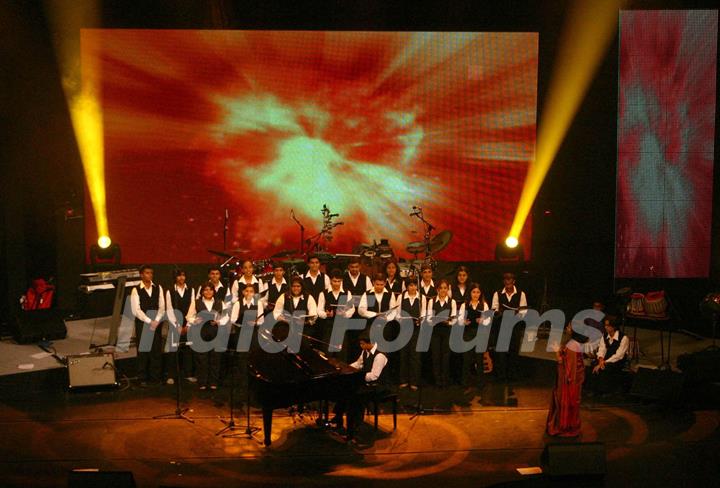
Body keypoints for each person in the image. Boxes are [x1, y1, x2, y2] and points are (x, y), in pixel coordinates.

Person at [332, 333, 389, 440]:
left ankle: (356, 425)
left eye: (362, 344)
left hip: (378, 386)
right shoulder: (365, 351)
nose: (360, 346)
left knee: (355, 396)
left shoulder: (379, 355)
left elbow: (374, 376)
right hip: (367, 383)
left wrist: (358, 377)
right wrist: (345, 368)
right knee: (345, 390)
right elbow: (358, 363)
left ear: (370, 343)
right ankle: (338, 418)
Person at [546, 323, 585, 437]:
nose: (567, 328)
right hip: (570, 379)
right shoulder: (572, 343)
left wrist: (557, 351)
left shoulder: (572, 345)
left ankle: (565, 426)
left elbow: (568, 367)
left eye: (569, 327)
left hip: (568, 382)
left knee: (565, 402)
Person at [130, 265, 165, 386]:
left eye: (151, 273)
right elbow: (136, 310)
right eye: (146, 273)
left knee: (156, 350)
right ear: (141, 274)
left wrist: (157, 320)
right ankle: (142, 378)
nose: (149, 275)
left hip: (156, 322)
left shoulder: (158, 288)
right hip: (143, 323)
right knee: (143, 350)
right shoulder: (136, 289)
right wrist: (149, 321)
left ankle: (156, 377)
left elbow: (162, 307)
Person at [491, 272, 528, 381]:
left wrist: (515, 315)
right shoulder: (497, 294)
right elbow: (494, 310)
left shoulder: (521, 294)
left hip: (515, 327)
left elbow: (524, 312)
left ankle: (512, 375)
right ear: (504, 281)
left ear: (513, 281)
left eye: (509, 279)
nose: (507, 281)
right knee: (501, 352)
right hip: (501, 326)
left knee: (513, 351)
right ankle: (501, 376)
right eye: (505, 279)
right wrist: (500, 313)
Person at [192, 282, 227, 391]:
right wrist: (195, 320)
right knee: (202, 359)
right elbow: (189, 316)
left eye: (210, 290)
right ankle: (202, 382)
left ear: (213, 291)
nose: (208, 292)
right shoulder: (196, 302)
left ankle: (213, 382)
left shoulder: (219, 302)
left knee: (215, 358)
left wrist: (219, 321)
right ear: (202, 292)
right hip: (201, 331)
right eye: (206, 290)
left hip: (216, 331)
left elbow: (226, 317)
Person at [427, 279, 461, 388]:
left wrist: (449, 322)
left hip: (447, 331)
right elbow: (428, 318)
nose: (443, 290)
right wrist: (435, 320)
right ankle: (437, 380)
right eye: (440, 288)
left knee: (446, 356)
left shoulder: (452, 302)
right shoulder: (432, 301)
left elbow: (455, 318)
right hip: (435, 331)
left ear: (448, 289)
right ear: (437, 289)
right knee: (436, 355)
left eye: (445, 288)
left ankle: (445, 379)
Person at [165, 268, 196, 384]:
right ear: (175, 277)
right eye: (179, 276)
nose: (181, 278)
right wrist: (177, 325)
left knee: (188, 349)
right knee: (173, 350)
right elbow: (169, 309)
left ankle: (188, 374)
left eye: (183, 275)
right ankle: (171, 375)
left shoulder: (191, 290)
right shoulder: (169, 291)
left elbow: (192, 308)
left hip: (188, 324)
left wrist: (187, 325)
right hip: (175, 325)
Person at [461, 283, 492, 393]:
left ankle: (480, 384)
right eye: (474, 292)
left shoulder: (484, 305)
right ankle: (465, 383)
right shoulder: (465, 305)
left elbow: (488, 320)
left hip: (480, 334)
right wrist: (463, 321)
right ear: (470, 293)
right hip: (468, 333)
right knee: (467, 360)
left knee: (479, 359)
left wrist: (483, 320)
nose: (475, 294)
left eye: (478, 292)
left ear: (480, 293)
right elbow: (460, 319)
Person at [316, 269, 355, 353]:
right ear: (330, 281)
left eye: (339, 281)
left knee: (341, 352)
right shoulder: (323, 293)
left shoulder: (347, 293)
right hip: (328, 326)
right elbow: (319, 310)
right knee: (327, 352)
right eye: (334, 281)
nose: (337, 283)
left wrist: (344, 314)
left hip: (341, 326)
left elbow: (352, 309)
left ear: (341, 281)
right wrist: (326, 314)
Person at [398, 278, 426, 390]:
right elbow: (397, 312)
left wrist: (420, 320)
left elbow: (424, 312)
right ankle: (403, 380)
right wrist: (402, 320)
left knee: (415, 356)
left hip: (416, 329)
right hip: (404, 329)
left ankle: (414, 381)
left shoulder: (421, 297)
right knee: (403, 354)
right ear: (407, 286)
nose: (413, 288)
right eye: (410, 285)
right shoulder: (401, 297)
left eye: (415, 285)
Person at [343, 257, 373, 361]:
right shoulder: (343, 278)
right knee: (348, 341)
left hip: (361, 316)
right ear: (348, 267)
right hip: (347, 316)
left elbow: (369, 297)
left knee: (360, 341)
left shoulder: (366, 279)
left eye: (356, 267)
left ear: (360, 266)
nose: (354, 269)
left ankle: (359, 364)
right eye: (352, 267)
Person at [590, 318, 629, 394]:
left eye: (608, 325)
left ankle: (605, 391)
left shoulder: (623, 338)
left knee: (607, 367)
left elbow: (619, 355)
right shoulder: (605, 336)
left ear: (613, 327)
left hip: (617, 361)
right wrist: (601, 360)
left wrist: (604, 362)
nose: (605, 327)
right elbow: (602, 349)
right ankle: (594, 389)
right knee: (594, 363)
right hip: (606, 359)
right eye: (605, 325)